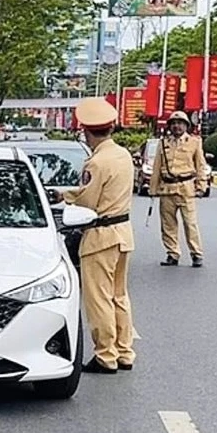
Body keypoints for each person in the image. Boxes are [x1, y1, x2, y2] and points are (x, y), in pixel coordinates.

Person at [61, 96, 135, 375]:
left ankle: (105, 355)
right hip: (123, 233)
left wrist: (65, 198)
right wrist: (67, 192)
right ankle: (125, 351)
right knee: (119, 296)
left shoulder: (96, 163)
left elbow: (87, 203)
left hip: (101, 236)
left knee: (98, 298)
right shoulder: (123, 155)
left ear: (86, 131)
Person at [150, 110, 207, 267]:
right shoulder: (163, 143)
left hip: (186, 188)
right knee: (168, 224)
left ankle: (196, 253)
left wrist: (201, 185)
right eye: (174, 123)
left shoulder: (194, 142)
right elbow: (156, 167)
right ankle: (172, 253)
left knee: (190, 223)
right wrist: (153, 189)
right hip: (167, 189)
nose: (176, 126)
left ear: (186, 126)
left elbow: (200, 166)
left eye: (180, 123)